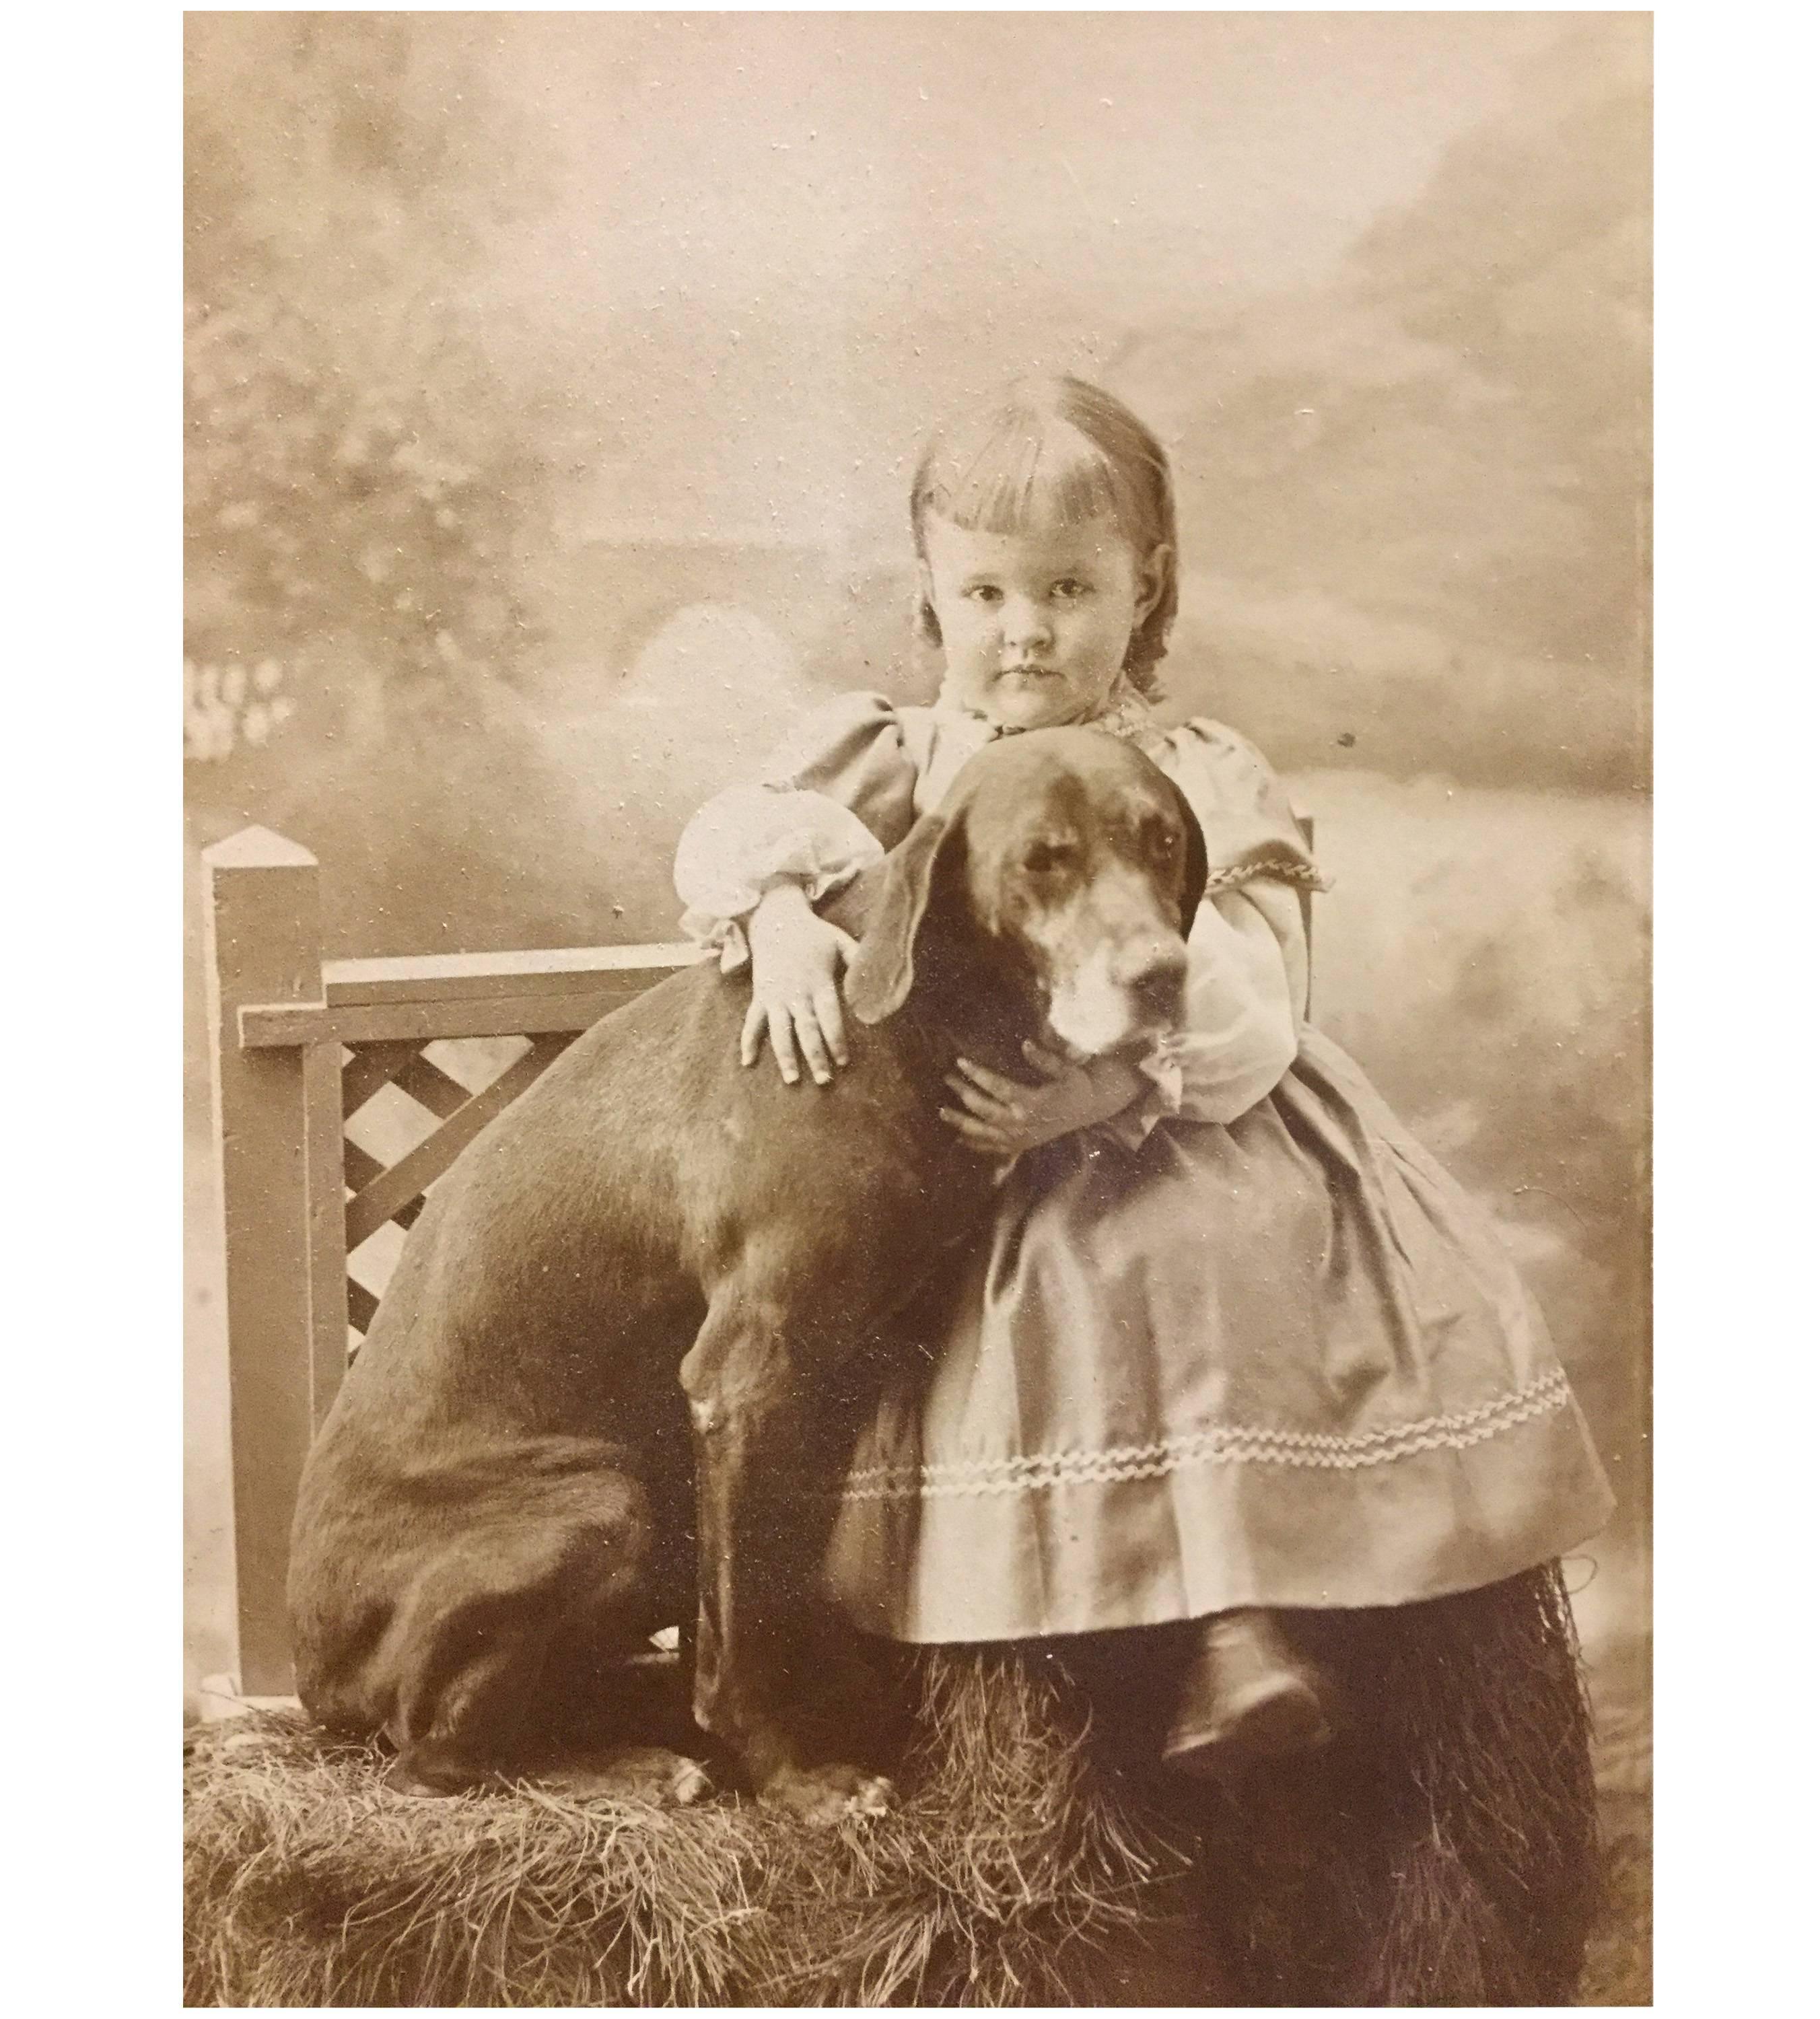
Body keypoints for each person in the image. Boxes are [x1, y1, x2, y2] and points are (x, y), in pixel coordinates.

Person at [672, 376, 1614, 1778]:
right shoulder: (894, 755)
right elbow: (731, 832)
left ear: (1144, 588)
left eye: (1067, 589)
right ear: (934, 596)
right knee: (989, 1281)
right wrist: (778, 916)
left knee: (1180, 1248)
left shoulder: (1187, 769)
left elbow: (1255, 998)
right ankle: (996, 1664)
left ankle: (1233, 1630)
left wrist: (1107, 1097)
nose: (1025, 631)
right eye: (985, 594)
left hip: (1183, 1122)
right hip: (949, 1149)